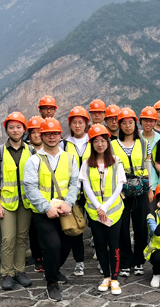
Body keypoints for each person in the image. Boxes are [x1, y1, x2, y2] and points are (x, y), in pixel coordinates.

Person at [23, 118, 79, 302]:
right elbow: (30, 187)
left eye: (55, 133)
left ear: (60, 135)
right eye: (47, 134)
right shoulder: (34, 160)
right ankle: (52, 283)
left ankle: (52, 269)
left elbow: (74, 183)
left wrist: (69, 203)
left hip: (64, 210)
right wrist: (46, 207)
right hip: (43, 212)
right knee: (52, 246)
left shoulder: (69, 158)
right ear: (41, 136)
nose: (51, 137)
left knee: (66, 246)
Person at [80, 124, 126, 295]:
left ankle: (115, 278)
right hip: (95, 213)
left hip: (113, 211)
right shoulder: (86, 164)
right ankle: (106, 276)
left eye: (103, 140)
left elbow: (119, 185)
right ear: (91, 143)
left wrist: (105, 206)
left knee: (114, 245)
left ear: (108, 142)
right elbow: (86, 186)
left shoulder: (116, 161)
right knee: (100, 244)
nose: (100, 144)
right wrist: (99, 207)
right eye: (96, 141)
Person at [0, 112, 33, 290]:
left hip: (26, 203)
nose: (15, 130)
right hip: (7, 203)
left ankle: (19, 271)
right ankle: (7, 273)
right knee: (8, 238)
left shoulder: (31, 151)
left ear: (24, 130)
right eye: (11, 127)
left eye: (18, 127)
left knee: (22, 238)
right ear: (6, 130)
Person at [111, 107, 153, 277]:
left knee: (141, 226)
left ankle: (139, 261)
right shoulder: (112, 145)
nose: (128, 126)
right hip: (121, 191)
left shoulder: (144, 143)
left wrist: (150, 188)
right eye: (124, 123)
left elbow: (148, 167)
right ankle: (125, 262)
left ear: (135, 124)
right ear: (119, 125)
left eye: (130, 122)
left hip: (141, 189)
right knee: (122, 227)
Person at [64, 106, 92, 276]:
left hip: (93, 191)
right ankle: (79, 261)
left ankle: (102, 259)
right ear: (70, 125)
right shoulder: (64, 144)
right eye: (74, 123)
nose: (77, 126)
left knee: (97, 227)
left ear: (86, 123)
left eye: (80, 122)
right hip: (73, 192)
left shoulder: (93, 141)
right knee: (76, 228)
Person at [25, 115, 45, 272]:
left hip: (48, 196)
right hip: (31, 198)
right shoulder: (26, 151)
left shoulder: (51, 149)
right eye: (33, 132)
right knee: (34, 230)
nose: (37, 135)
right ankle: (37, 258)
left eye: (39, 131)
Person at [139, 106, 160, 192]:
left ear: (155, 122)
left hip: (155, 183)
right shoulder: (136, 138)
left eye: (151, 121)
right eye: (146, 120)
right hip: (138, 183)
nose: (148, 123)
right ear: (141, 121)